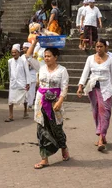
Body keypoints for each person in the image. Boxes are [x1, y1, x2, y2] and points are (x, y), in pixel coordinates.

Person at [26, 38, 70, 169]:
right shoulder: (41, 67)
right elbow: (28, 56)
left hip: (55, 103)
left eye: (49, 56)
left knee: (57, 128)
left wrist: (60, 101)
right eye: (45, 56)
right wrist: (34, 42)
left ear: (56, 57)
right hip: (41, 102)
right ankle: (44, 158)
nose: (46, 58)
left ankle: (63, 147)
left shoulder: (62, 70)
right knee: (41, 129)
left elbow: (65, 87)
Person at [77, 38, 112, 151]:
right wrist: (80, 86)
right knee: (96, 111)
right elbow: (85, 72)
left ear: (105, 47)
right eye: (97, 46)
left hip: (106, 88)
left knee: (105, 112)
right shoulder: (90, 58)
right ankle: (102, 135)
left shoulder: (110, 60)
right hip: (93, 88)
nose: (99, 48)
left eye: (101, 46)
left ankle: (101, 138)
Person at [7, 44, 31, 121]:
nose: (13, 54)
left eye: (15, 52)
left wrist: (28, 83)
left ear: (19, 53)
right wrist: (10, 81)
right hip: (13, 83)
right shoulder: (10, 61)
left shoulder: (24, 61)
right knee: (10, 99)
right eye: (12, 52)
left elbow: (27, 72)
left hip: (22, 83)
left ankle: (25, 111)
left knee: (25, 98)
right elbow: (10, 72)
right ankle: (11, 115)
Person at [22, 42, 40, 109]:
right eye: (23, 48)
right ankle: (25, 104)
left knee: (31, 91)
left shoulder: (34, 55)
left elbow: (36, 65)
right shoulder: (22, 57)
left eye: (25, 48)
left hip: (32, 75)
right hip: (25, 76)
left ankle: (30, 104)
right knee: (25, 91)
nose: (24, 49)